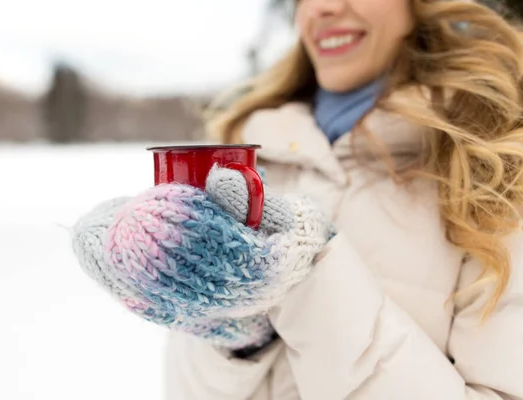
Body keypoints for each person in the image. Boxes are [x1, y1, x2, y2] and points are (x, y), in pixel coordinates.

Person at [71, 0, 523, 398]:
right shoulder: (250, 152)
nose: (320, 7)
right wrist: (234, 335)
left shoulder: (493, 165)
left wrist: (307, 272)